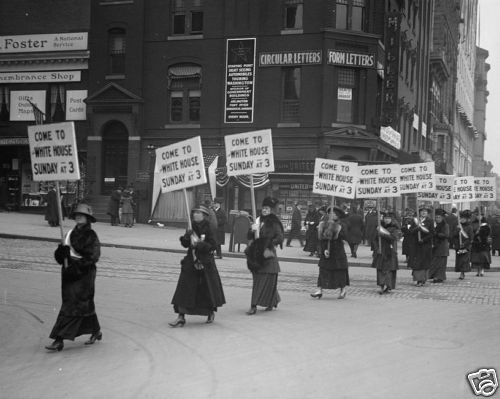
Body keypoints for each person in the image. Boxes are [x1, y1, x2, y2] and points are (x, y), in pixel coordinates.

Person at [45, 203, 102, 351]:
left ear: (88, 218)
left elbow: (93, 257)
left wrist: (76, 267)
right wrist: (61, 252)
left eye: (82, 215)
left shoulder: (91, 235)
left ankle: (59, 340)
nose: (79, 217)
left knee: (71, 307)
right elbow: (59, 258)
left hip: (83, 276)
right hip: (69, 275)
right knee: (83, 306)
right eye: (77, 215)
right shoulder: (68, 233)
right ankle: (96, 331)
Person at [169, 205, 226, 327]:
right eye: (194, 212)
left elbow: (213, 245)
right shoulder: (191, 226)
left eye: (198, 213)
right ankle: (181, 316)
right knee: (184, 289)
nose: (195, 215)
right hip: (191, 261)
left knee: (206, 290)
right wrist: (186, 237)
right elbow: (185, 244)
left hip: (205, 263)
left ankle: (210, 312)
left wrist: (199, 244)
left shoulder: (209, 227)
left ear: (204, 215)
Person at [244, 197, 284, 315]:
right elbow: (249, 236)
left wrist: (270, 243)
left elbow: (280, 237)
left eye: (267, 208)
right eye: (264, 208)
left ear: (271, 210)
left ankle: (254, 305)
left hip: (268, 253)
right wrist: (252, 230)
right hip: (256, 253)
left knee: (269, 278)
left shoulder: (274, 222)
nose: (264, 210)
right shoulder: (257, 220)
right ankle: (271, 301)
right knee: (259, 279)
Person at [310, 206, 349, 299]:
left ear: (337, 216)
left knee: (340, 272)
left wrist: (334, 229)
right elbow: (321, 239)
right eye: (330, 213)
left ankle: (343, 290)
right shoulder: (324, 224)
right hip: (326, 252)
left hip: (337, 252)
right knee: (323, 270)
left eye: (333, 214)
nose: (331, 215)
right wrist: (323, 250)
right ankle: (320, 290)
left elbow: (345, 236)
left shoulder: (342, 225)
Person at [370, 211, 400, 294]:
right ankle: (381, 286)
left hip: (390, 252)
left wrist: (382, 234)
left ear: (391, 219)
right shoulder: (379, 227)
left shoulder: (394, 228)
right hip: (380, 251)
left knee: (389, 270)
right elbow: (374, 239)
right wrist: (376, 249)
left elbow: (393, 237)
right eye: (385, 218)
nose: (386, 220)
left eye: (388, 218)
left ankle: (388, 285)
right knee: (380, 269)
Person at [410, 207, 434, 286]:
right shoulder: (415, 220)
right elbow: (410, 231)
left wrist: (423, 240)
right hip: (416, 245)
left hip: (425, 245)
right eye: (422, 211)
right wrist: (417, 228)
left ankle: (422, 279)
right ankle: (417, 279)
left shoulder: (430, 221)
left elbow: (432, 233)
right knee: (417, 262)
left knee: (424, 262)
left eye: (425, 211)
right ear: (419, 212)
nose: (424, 213)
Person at [428, 209, 450, 283]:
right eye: (436, 217)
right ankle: (434, 275)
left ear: (442, 218)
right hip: (435, 246)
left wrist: (437, 233)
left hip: (442, 247)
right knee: (434, 262)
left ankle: (439, 277)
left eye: (439, 217)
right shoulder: (435, 225)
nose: (437, 219)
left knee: (441, 263)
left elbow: (446, 235)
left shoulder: (445, 225)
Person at [453, 210, 473, 280]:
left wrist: (464, 244)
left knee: (464, 260)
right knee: (459, 260)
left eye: (463, 219)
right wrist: (457, 230)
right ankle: (461, 272)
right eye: (461, 218)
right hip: (459, 247)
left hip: (465, 247)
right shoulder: (458, 226)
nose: (462, 220)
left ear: (466, 219)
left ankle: (462, 273)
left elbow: (470, 238)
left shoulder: (469, 227)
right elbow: (454, 236)